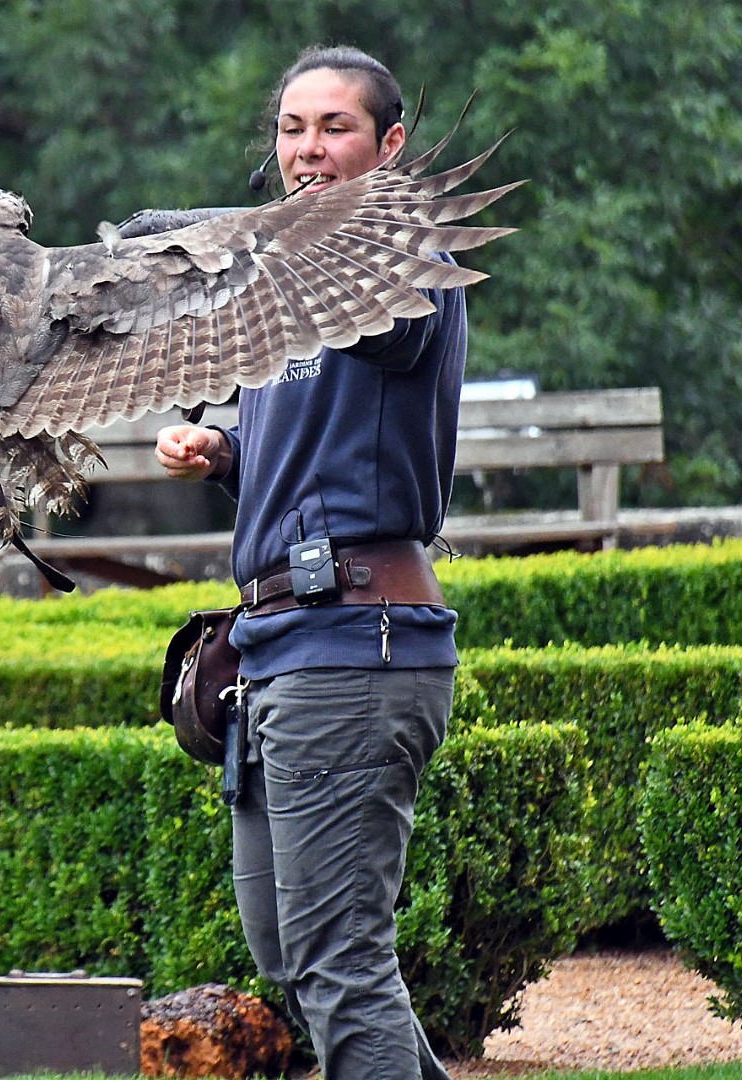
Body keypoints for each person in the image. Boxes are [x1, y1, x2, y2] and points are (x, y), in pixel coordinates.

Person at [154, 45, 468, 1079]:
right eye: (292, 129)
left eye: (335, 127)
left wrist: (247, 248)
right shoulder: (277, 286)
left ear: (391, 144)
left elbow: (390, 341)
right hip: (276, 647)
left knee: (340, 963)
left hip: (356, 643)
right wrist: (223, 452)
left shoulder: (410, 260)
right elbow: (306, 461)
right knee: (292, 955)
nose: (307, 148)